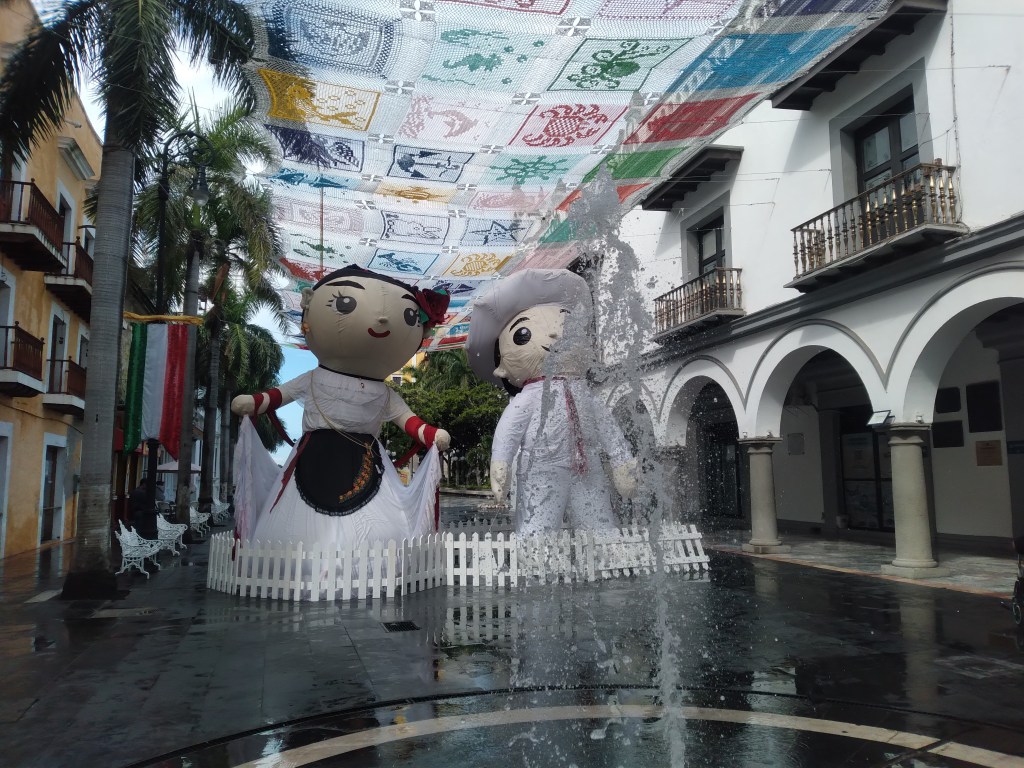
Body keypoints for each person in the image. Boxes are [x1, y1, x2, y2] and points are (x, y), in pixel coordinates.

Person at [231, 266, 451, 549]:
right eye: (344, 303)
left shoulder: (384, 393)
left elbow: (408, 421)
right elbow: (278, 396)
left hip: (367, 459)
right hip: (314, 457)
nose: (381, 319)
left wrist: (429, 434)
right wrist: (254, 402)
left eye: (410, 316)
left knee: (379, 530)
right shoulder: (313, 378)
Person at [465, 268, 637, 534]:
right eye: (523, 334)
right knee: (538, 525)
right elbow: (508, 432)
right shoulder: (527, 399)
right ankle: (536, 553)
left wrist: (621, 460)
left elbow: (607, 426)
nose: (556, 334)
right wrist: (501, 462)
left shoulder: (586, 395)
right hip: (540, 468)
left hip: (588, 467)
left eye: (567, 324)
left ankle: (605, 547)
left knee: (598, 522)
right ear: (503, 365)